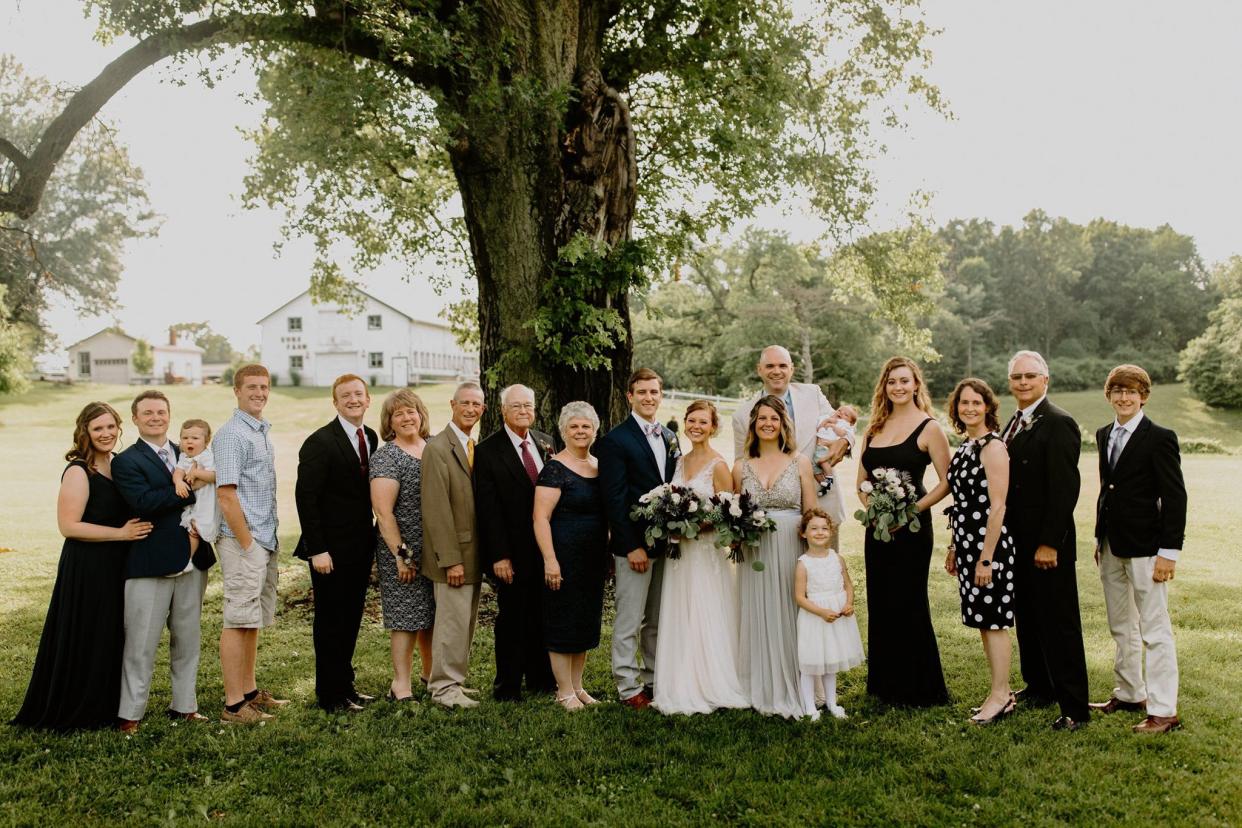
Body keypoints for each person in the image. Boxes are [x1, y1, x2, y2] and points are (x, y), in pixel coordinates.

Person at [13, 403, 152, 730]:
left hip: (117, 562)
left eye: (110, 427)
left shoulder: (118, 465)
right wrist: (121, 533)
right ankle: (78, 707)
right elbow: (69, 525)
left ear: (119, 427)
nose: (106, 434)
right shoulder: (79, 470)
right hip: (87, 563)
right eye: (97, 429)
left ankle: (105, 704)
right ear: (85, 433)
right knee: (86, 632)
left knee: (109, 633)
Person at [1090, 364, 1187, 734]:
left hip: (1148, 548)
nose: (1124, 397)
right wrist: (1100, 538)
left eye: (1131, 391)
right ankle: (1130, 692)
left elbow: (1175, 497)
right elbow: (1107, 490)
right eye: (1117, 391)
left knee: (1155, 629)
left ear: (1143, 396)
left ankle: (1163, 710)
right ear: (1109, 395)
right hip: (1111, 546)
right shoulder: (1103, 434)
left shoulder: (1160, 437)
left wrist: (1169, 552)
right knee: (1121, 625)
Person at [112, 391, 213, 732]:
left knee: (187, 638)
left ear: (169, 415)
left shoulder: (187, 450)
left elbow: (214, 485)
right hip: (150, 562)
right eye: (148, 413)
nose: (155, 417)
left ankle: (184, 705)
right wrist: (190, 487)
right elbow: (143, 502)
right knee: (141, 642)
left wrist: (197, 483)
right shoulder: (125, 461)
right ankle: (130, 714)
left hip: (193, 559)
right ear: (135, 419)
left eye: (161, 412)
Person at [855, 356, 950, 707]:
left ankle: (921, 688)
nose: (898, 387)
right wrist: (876, 513)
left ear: (915, 385)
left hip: (912, 528)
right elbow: (861, 483)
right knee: (881, 601)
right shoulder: (873, 428)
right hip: (878, 529)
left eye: (904, 381)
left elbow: (946, 482)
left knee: (909, 600)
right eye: (892, 381)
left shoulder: (929, 428)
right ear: (885, 387)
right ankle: (885, 685)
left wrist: (909, 511)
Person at [1002, 350, 1090, 731]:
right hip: (1016, 541)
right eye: (1017, 377)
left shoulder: (1058, 422)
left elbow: (1065, 488)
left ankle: (1074, 707)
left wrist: (1050, 542)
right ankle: (1039, 685)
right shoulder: (1014, 422)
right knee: (1029, 618)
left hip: (1046, 544)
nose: (1023, 382)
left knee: (1059, 623)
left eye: (1030, 376)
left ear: (1045, 380)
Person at [651, 401, 749, 716]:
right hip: (680, 551)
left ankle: (712, 681)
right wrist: (672, 520)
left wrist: (694, 524)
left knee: (707, 609)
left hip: (706, 551)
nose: (696, 426)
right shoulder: (678, 461)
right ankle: (681, 679)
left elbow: (728, 513)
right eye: (691, 420)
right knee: (681, 610)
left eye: (703, 422)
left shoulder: (718, 465)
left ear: (713, 426)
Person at [294, 375, 379, 712]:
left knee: (351, 618)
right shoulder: (320, 442)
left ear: (368, 399)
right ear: (335, 402)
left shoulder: (370, 437)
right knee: (331, 621)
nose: (353, 399)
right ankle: (329, 695)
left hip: (359, 547)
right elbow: (306, 498)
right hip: (328, 550)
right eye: (345, 395)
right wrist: (317, 549)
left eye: (358, 394)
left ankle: (346, 686)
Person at [733, 395, 820, 719]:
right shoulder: (740, 466)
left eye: (774, 418)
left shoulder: (800, 462)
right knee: (757, 612)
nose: (768, 424)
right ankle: (758, 684)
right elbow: (731, 510)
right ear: (753, 425)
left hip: (791, 549)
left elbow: (812, 513)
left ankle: (800, 685)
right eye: (762, 419)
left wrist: (815, 557)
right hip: (755, 550)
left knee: (791, 612)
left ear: (784, 424)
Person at [596, 368, 678, 709]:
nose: (648, 397)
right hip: (634, 547)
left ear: (660, 395)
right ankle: (628, 686)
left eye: (654, 392)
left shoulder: (671, 436)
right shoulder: (615, 440)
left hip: (668, 544)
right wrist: (631, 545)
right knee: (630, 619)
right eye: (641, 392)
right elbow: (613, 499)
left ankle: (654, 678)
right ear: (630, 396)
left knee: (657, 618)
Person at [214, 364, 288, 724]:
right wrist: (247, 544)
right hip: (244, 541)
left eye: (264, 387)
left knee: (251, 619)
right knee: (237, 617)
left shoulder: (258, 431)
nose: (259, 392)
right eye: (252, 387)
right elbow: (226, 495)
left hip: (263, 537)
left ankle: (249, 692)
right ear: (237, 391)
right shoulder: (232, 435)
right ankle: (233, 706)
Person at [940, 378, 1017, 725]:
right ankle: (999, 692)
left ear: (987, 407)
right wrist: (956, 546)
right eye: (963, 403)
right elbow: (961, 501)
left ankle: (1002, 695)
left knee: (995, 622)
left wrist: (987, 558)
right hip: (968, 545)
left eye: (976, 402)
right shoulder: (966, 447)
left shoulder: (993, 448)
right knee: (984, 622)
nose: (969, 408)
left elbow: (997, 507)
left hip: (991, 548)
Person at [473, 384, 557, 701]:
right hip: (511, 551)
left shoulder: (546, 443)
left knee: (541, 614)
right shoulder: (486, 451)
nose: (524, 411)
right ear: (503, 411)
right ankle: (507, 685)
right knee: (512, 619)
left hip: (544, 548)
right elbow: (487, 508)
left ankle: (541, 678)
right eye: (516, 406)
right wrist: (499, 556)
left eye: (528, 406)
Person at [533, 402, 610, 710]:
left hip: (593, 558)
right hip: (563, 555)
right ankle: (563, 690)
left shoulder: (599, 465)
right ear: (563, 431)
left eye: (586, 426)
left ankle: (578, 687)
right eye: (574, 427)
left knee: (584, 623)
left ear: (595, 430)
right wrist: (550, 560)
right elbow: (540, 517)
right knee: (562, 623)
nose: (581, 431)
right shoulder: (553, 468)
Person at [732, 345, 856, 529]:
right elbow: (742, 465)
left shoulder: (813, 393)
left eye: (782, 366)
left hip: (821, 500)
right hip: (768, 513)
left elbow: (842, 424)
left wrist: (845, 441)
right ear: (759, 369)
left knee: (821, 558)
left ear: (792, 369)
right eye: (770, 366)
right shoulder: (742, 415)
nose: (777, 371)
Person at [421, 381, 487, 709]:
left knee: (465, 622)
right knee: (451, 623)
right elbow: (436, 509)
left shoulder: (472, 445)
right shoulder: (437, 448)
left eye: (477, 404)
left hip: (474, 552)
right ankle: (444, 689)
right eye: (465, 403)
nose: (471, 409)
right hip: (454, 557)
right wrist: (450, 560)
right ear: (452, 404)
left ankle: (454, 681)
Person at [371, 389, 436, 702]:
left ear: (421, 414)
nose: (407, 418)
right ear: (390, 422)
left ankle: (432, 675)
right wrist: (402, 557)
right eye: (399, 414)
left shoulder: (434, 447)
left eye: (412, 411)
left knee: (432, 615)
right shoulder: (387, 456)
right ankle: (401, 685)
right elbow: (383, 514)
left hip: (437, 549)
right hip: (403, 550)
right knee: (407, 617)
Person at [794, 508, 863, 720]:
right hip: (815, 617)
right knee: (811, 664)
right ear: (803, 533)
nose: (820, 532)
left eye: (824, 528)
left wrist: (849, 603)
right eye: (813, 528)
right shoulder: (803, 563)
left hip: (837, 616)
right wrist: (822, 612)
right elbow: (799, 597)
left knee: (830, 661)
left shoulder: (837, 558)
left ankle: (832, 703)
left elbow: (848, 585)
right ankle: (809, 707)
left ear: (831, 532)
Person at [172, 419, 218, 561]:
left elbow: (214, 476)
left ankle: (188, 560)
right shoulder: (184, 456)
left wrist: (196, 473)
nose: (189, 442)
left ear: (206, 441)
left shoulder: (207, 456)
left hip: (206, 499)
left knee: (198, 528)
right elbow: (178, 472)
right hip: (191, 500)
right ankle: (187, 560)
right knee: (190, 529)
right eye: (185, 438)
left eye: (195, 438)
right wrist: (179, 482)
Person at [812, 408, 858, 498]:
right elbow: (819, 428)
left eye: (846, 414)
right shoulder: (829, 417)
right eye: (840, 410)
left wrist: (833, 426)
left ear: (851, 422)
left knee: (823, 462)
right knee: (815, 471)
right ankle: (824, 485)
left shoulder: (844, 424)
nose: (841, 413)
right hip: (819, 447)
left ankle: (829, 477)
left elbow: (842, 433)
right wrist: (826, 420)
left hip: (828, 448)